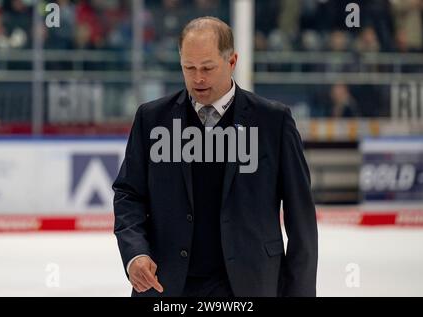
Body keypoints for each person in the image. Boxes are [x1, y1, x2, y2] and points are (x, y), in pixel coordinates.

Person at [113, 16, 318, 297]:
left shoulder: (273, 121)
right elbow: (129, 194)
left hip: (249, 285)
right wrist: (135, 253)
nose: (198, 78)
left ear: (232, 62)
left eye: (208, 68)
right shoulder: (152, 119)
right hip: (166, 286)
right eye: (189, 67)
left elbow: (301, 220)